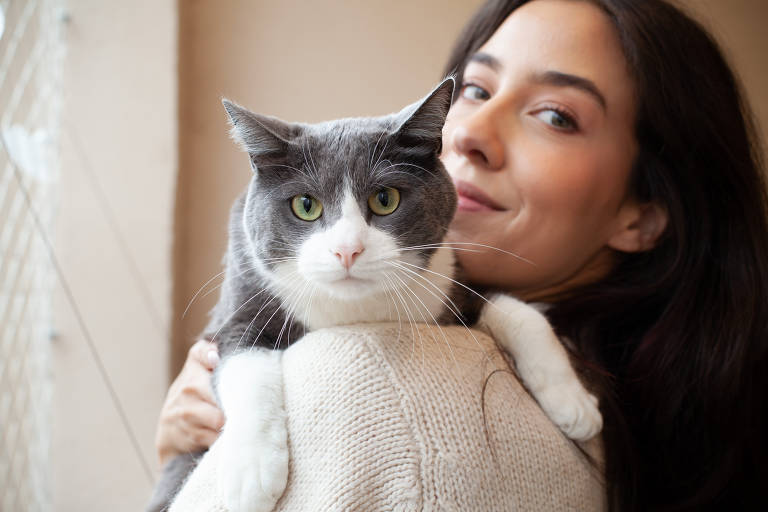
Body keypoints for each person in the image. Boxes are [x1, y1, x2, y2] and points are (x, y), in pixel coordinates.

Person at [155, 0, 768, 510]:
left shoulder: (383, 391)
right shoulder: (658, 411)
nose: (468, 134)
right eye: (476, 88)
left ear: (642, 215)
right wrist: (180, 459)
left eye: (556, 116)